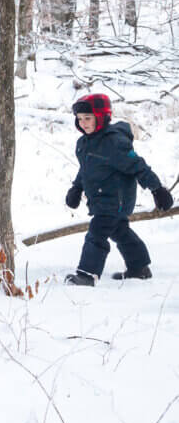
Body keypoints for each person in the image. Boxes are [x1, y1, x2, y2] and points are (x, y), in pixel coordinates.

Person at [64, 94, 173, 285]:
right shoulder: (84, 143)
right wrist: (76, 188)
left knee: (97, 233)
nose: (83, 123)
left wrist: (157, 189)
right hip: (100, 199)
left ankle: (87, 274)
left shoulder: (114, 143)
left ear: (102, 116)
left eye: (88, 118)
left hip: (116, 200)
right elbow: (86, 169)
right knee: (120, 231)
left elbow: (138, 166)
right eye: (80, 119)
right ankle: (139, 267)